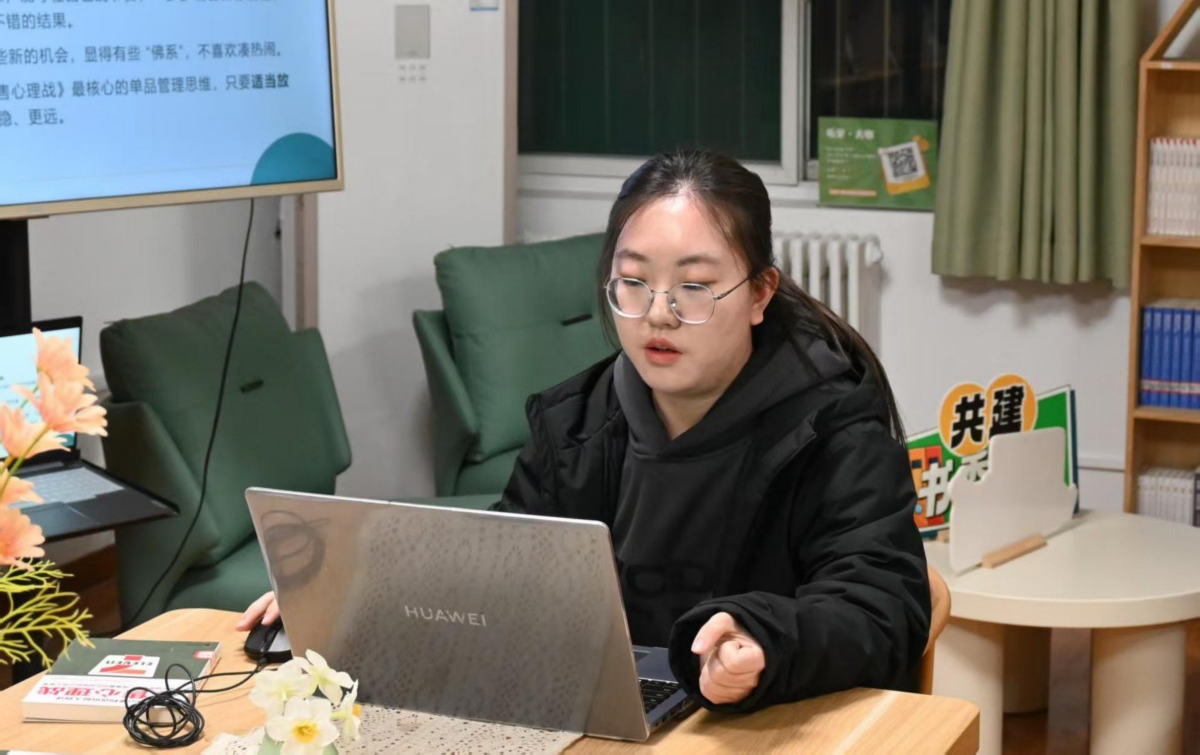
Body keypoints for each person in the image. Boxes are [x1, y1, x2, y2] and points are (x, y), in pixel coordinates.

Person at [240, 149, 930, 713]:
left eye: (694, 286)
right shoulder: (574, 420)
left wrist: (766, 640)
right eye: (632, 282)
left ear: (759, 293)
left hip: (759, 727)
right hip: (604, 721)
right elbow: (508, 564)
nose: (657, 314)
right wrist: (352, 596)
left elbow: (883, 607)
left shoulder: (833, 425)